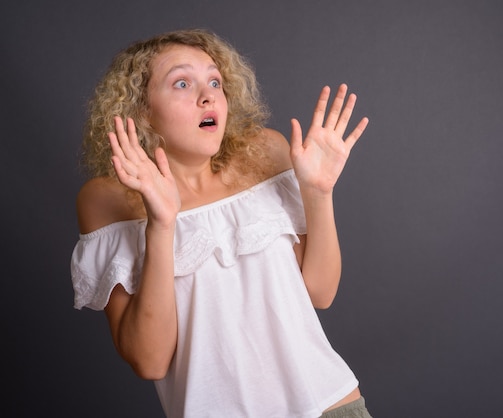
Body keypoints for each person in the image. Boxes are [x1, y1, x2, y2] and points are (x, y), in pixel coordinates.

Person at [70, 28, 371, 418]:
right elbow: (150, 362)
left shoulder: (266, 152)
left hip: (330, 404)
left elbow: (320, 292)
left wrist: (318, 193)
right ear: (141, 109)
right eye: (182, 83)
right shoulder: (107, 200)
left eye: (214, 81)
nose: (208, 95)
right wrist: (161, 224)